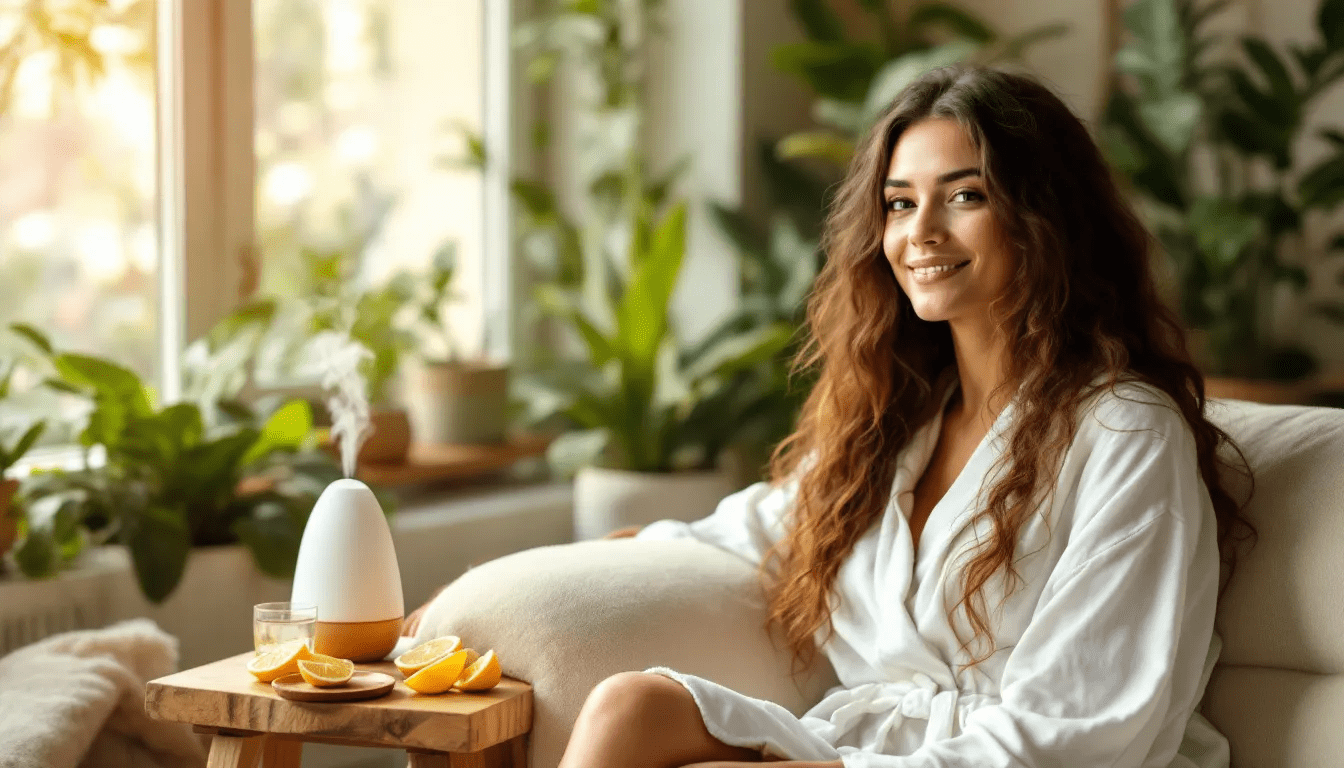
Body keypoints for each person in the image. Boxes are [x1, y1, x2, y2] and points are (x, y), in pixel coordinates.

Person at [549, 65, 1256, 768]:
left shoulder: (1126, 435)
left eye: (966, 196)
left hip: (1019, 759)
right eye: (899, 204)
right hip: (865, 748)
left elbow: (1077, 727)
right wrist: (569, 566)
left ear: (1046, 219)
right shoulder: (901, 425)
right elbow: (759, 523)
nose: (922, 232)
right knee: (629, 708)